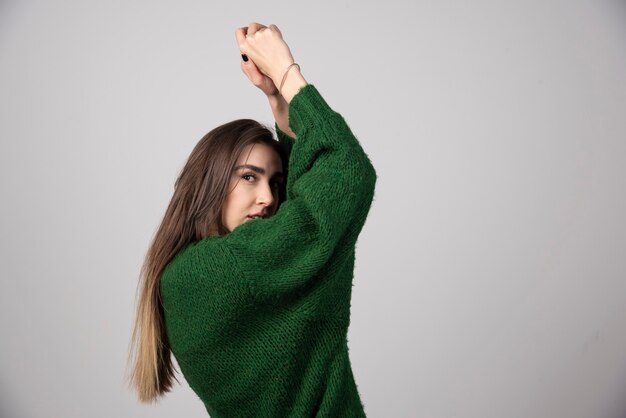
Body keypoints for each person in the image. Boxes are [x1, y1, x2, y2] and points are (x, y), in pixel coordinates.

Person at [127, 22, 377, 417]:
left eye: (277, 183)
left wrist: (278, 101)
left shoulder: (186, 275)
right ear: (207, 183)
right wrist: (286, 71)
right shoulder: (214, 272)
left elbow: (308, 197)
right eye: (248, 177)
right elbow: (344, 174)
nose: (268, 198)